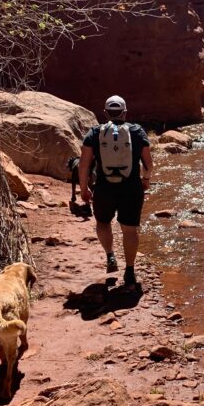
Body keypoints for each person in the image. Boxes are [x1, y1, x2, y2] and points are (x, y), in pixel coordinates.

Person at [79, 95, 153, 287]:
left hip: (104, 188)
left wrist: (84, 188)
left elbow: (84, 164)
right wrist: (146, 180)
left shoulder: (95, 133)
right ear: (125, 113)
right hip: (131, 188)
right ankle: (129, 271)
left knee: (103, 222)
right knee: (129, 230)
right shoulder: (137, 132)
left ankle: (110, 255)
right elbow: (148, 163)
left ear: (105, 113)